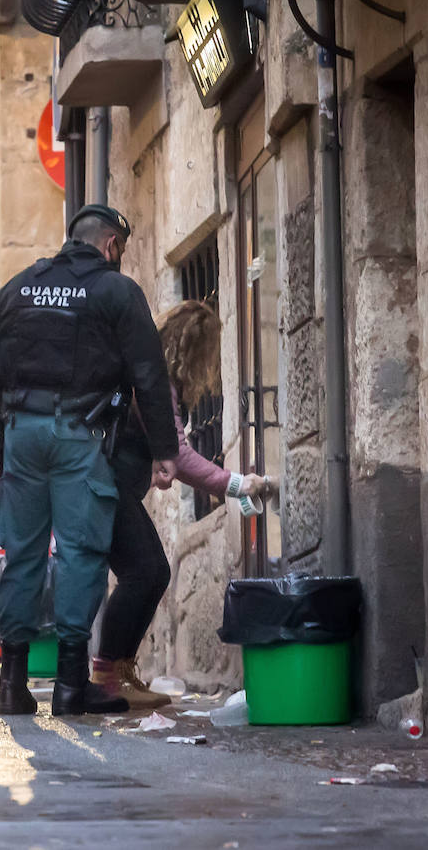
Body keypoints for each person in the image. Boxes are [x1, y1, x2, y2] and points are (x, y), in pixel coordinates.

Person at [0, 204, 179, 717]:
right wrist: (164, 450)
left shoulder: (16, 288)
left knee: (20, 556)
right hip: (79, 438)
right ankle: (69, 688)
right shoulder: (115, 291)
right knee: (80, 555)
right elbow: (149, 374)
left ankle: (13, 686)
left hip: (22, 434)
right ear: (110, 245)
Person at [88, 299, 270, 710]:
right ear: (194, 351)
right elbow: (180, 453)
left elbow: (161, 447)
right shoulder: (157, 383)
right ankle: (106, 674)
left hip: (108, 482)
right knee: (146, 572)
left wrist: (154, 464)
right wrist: (236, 483)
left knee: (146, 573)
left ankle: (117, 670)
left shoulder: (143, 372)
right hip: (107, 486)